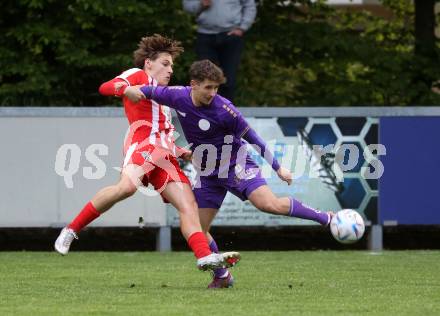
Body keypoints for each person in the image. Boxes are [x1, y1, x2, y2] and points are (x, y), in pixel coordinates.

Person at [127, 59, 335, 288]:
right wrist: (130, 90)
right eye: (208, 87)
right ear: (193, 84)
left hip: (236, 164)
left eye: (216, 88)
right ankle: (222, 276)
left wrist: (278, 168)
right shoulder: (177, 96)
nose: (213, 93)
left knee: (269, 204)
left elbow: (253, 138)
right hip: (207, 172)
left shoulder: (225, 109)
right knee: (197, 229)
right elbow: (147, 91)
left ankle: (326, 218)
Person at [54, 35, 240, 273]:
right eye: (165, 63)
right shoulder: (137, 75)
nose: (170, 69)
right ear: (148, 63)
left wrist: (181, 151)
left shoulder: (166, 95)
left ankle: (209, 262)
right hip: (142, 147)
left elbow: (164, 134)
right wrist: (126, 88)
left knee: (189, 207)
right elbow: (105, 87)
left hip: (164, 157)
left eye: (172, 65)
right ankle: (71, 229)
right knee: (126, 188)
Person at [182, 0, 256, 102]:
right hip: (205, 35)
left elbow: (249, 5)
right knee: (204, 77)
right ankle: (203, 112)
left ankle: (226, 113)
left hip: (231, 35)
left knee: (228, 80)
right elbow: (187, 6)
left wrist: (242, 27)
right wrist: (200, 5)